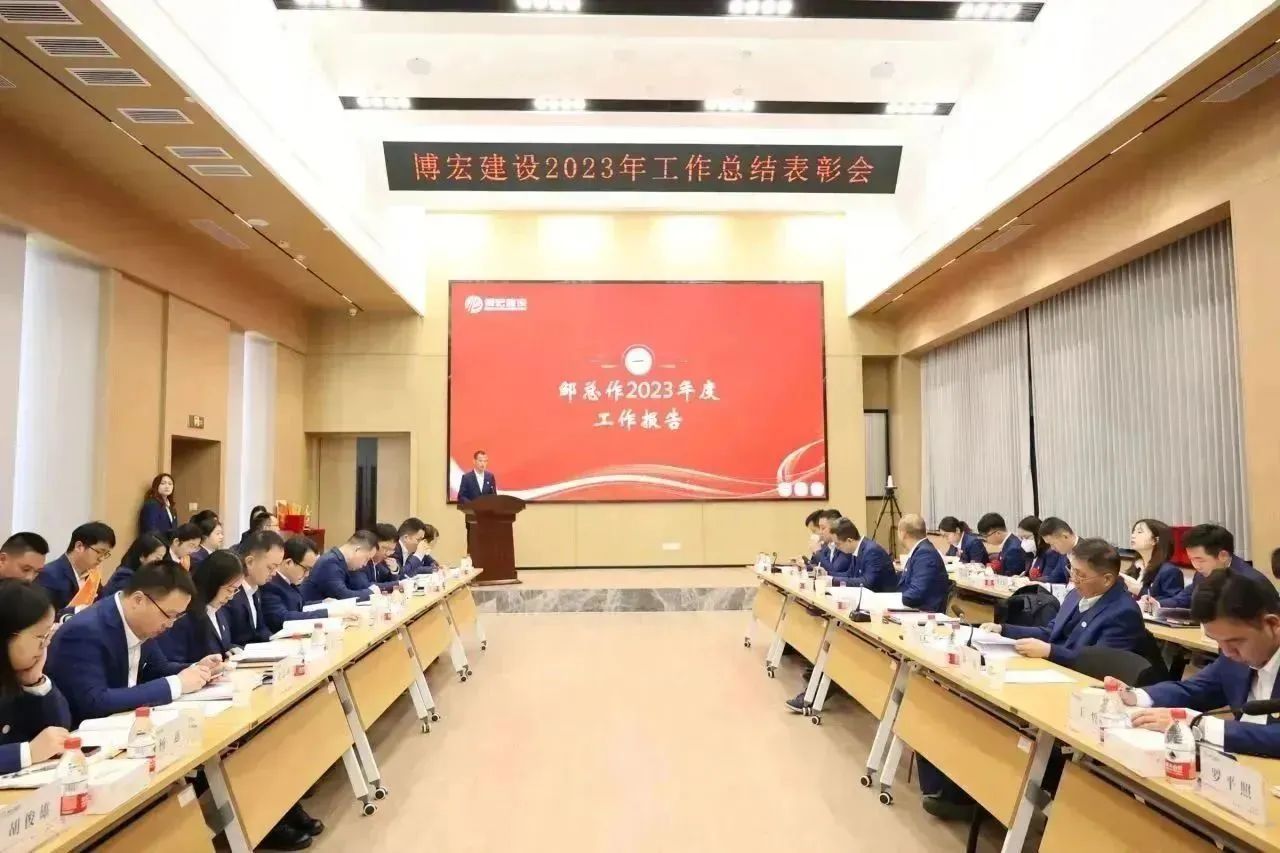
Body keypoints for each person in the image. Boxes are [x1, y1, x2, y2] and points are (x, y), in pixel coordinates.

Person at [1117, 570, 1280, 758]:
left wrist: (1199, 725)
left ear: (1272, 624)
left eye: (1235, 642)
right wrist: (1136, 696)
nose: (1227, 652)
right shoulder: (1234, 657)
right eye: (1217, 641)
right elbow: (1195, 689)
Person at [45, 561, 218, 724]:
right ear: (138, 600)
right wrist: (177, 684)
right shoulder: (85, 631)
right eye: (169, 615)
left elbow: (157, 669)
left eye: (177, 616)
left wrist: (197, 670)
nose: (170, 624)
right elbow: (95, 702)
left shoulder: (141, 622)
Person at [980, 538, 1145, 667]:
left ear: (1107, 579)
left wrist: (1050, 651)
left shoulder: (1123, 613)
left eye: (1080, 574)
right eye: (1071, 571)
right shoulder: (1075, 594)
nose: (1073, 579)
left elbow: (1100, 663)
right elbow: (1051, 632)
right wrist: (1003, 630)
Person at [0, 581, 71, 773]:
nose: (45, 645)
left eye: (49, 635)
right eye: (40, 636)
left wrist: (35, 682)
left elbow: (59, 732)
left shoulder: (17, 673)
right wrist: (27, 753)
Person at [1144, 524, 1265, 611]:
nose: (1196, 566)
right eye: (1191, 559)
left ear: (1223, 556)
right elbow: (1184, 598)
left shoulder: (1251, 582)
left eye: (1200, 559)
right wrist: (1157, 604)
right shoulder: (1201, 574)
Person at [157, 551, 244, 663]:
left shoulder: (219, 610)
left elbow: (220, 645)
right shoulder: (185, 614)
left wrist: (229, 650)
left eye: (235, 590)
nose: (230, 597)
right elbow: (173, 662)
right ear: (213, 583)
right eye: (229, 590)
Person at [36, 522, 116, 619]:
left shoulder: (92, 576)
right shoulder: (49, 574)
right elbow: (41, 615)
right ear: (79, 546)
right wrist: (77, 610)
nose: (102, 558)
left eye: (106, 554)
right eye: (99, 552)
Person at [226, 531, 285, 647]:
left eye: (277, 568)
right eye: (270, 567)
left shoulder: (256, 588)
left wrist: (276, 641)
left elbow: (260, 629)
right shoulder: (230, 594)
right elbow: (227, 643)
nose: (274, 573)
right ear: (250, 562)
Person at [262, 537, 329, 633]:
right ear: (288, 562)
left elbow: (300, 606)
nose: (307, 574)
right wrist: (326, 613)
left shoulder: (289, 581)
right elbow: (282, 617)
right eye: (305, 569)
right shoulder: (270, 584)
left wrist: (323, 603)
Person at [301, 532, 380, 602]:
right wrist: (371, 592)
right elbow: (343, 596)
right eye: (366, 559)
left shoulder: (344, 563)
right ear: (357, 550)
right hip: (309, 611)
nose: (365, 564)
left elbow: (360, 586)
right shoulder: (330, 562)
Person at [1121, 518, 1184, 601]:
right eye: (1133, 532)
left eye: (1139, 532)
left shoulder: (1169, 571)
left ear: (1155, 540)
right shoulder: (1137, 566)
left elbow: (1171, 602)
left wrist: (1139, 590)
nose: (1133, 536)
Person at [897, 514, 950, 614]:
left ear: (903, 533)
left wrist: (889, 600)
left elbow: (916, 593)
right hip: (915, 609)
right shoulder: (921, 550)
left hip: (924, 614)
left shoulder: (925, 554)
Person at [832, 518, 896, 592]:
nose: (836, 548)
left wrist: (834, 581)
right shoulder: (857, 549)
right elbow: (850, 574)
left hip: (881, 596)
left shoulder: (871, 551)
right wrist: (828, 577)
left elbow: (868, 583)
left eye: (837, 544)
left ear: (849, 540)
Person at [100, 533, 168, 600]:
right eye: (157, 559)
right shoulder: (125, 577)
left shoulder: (142, 576)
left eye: (162, 559)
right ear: (142, 556)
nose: (161, 563)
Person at [806, 510, 851, 578]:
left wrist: (817, 552)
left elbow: (833, 571)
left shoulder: (845, 544)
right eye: (820, 528)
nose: (820, 532)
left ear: (835, 528)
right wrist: (804, 566)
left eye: (823, 528)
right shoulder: (828, 545)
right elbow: (818, 566)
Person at [1035, 517, 1076, 585]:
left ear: (1065, 536)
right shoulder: (1064, 552)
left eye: (1052, 544)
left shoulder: (1087, 552)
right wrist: (1031, 581)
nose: (1052, 548)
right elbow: (1055, 577)